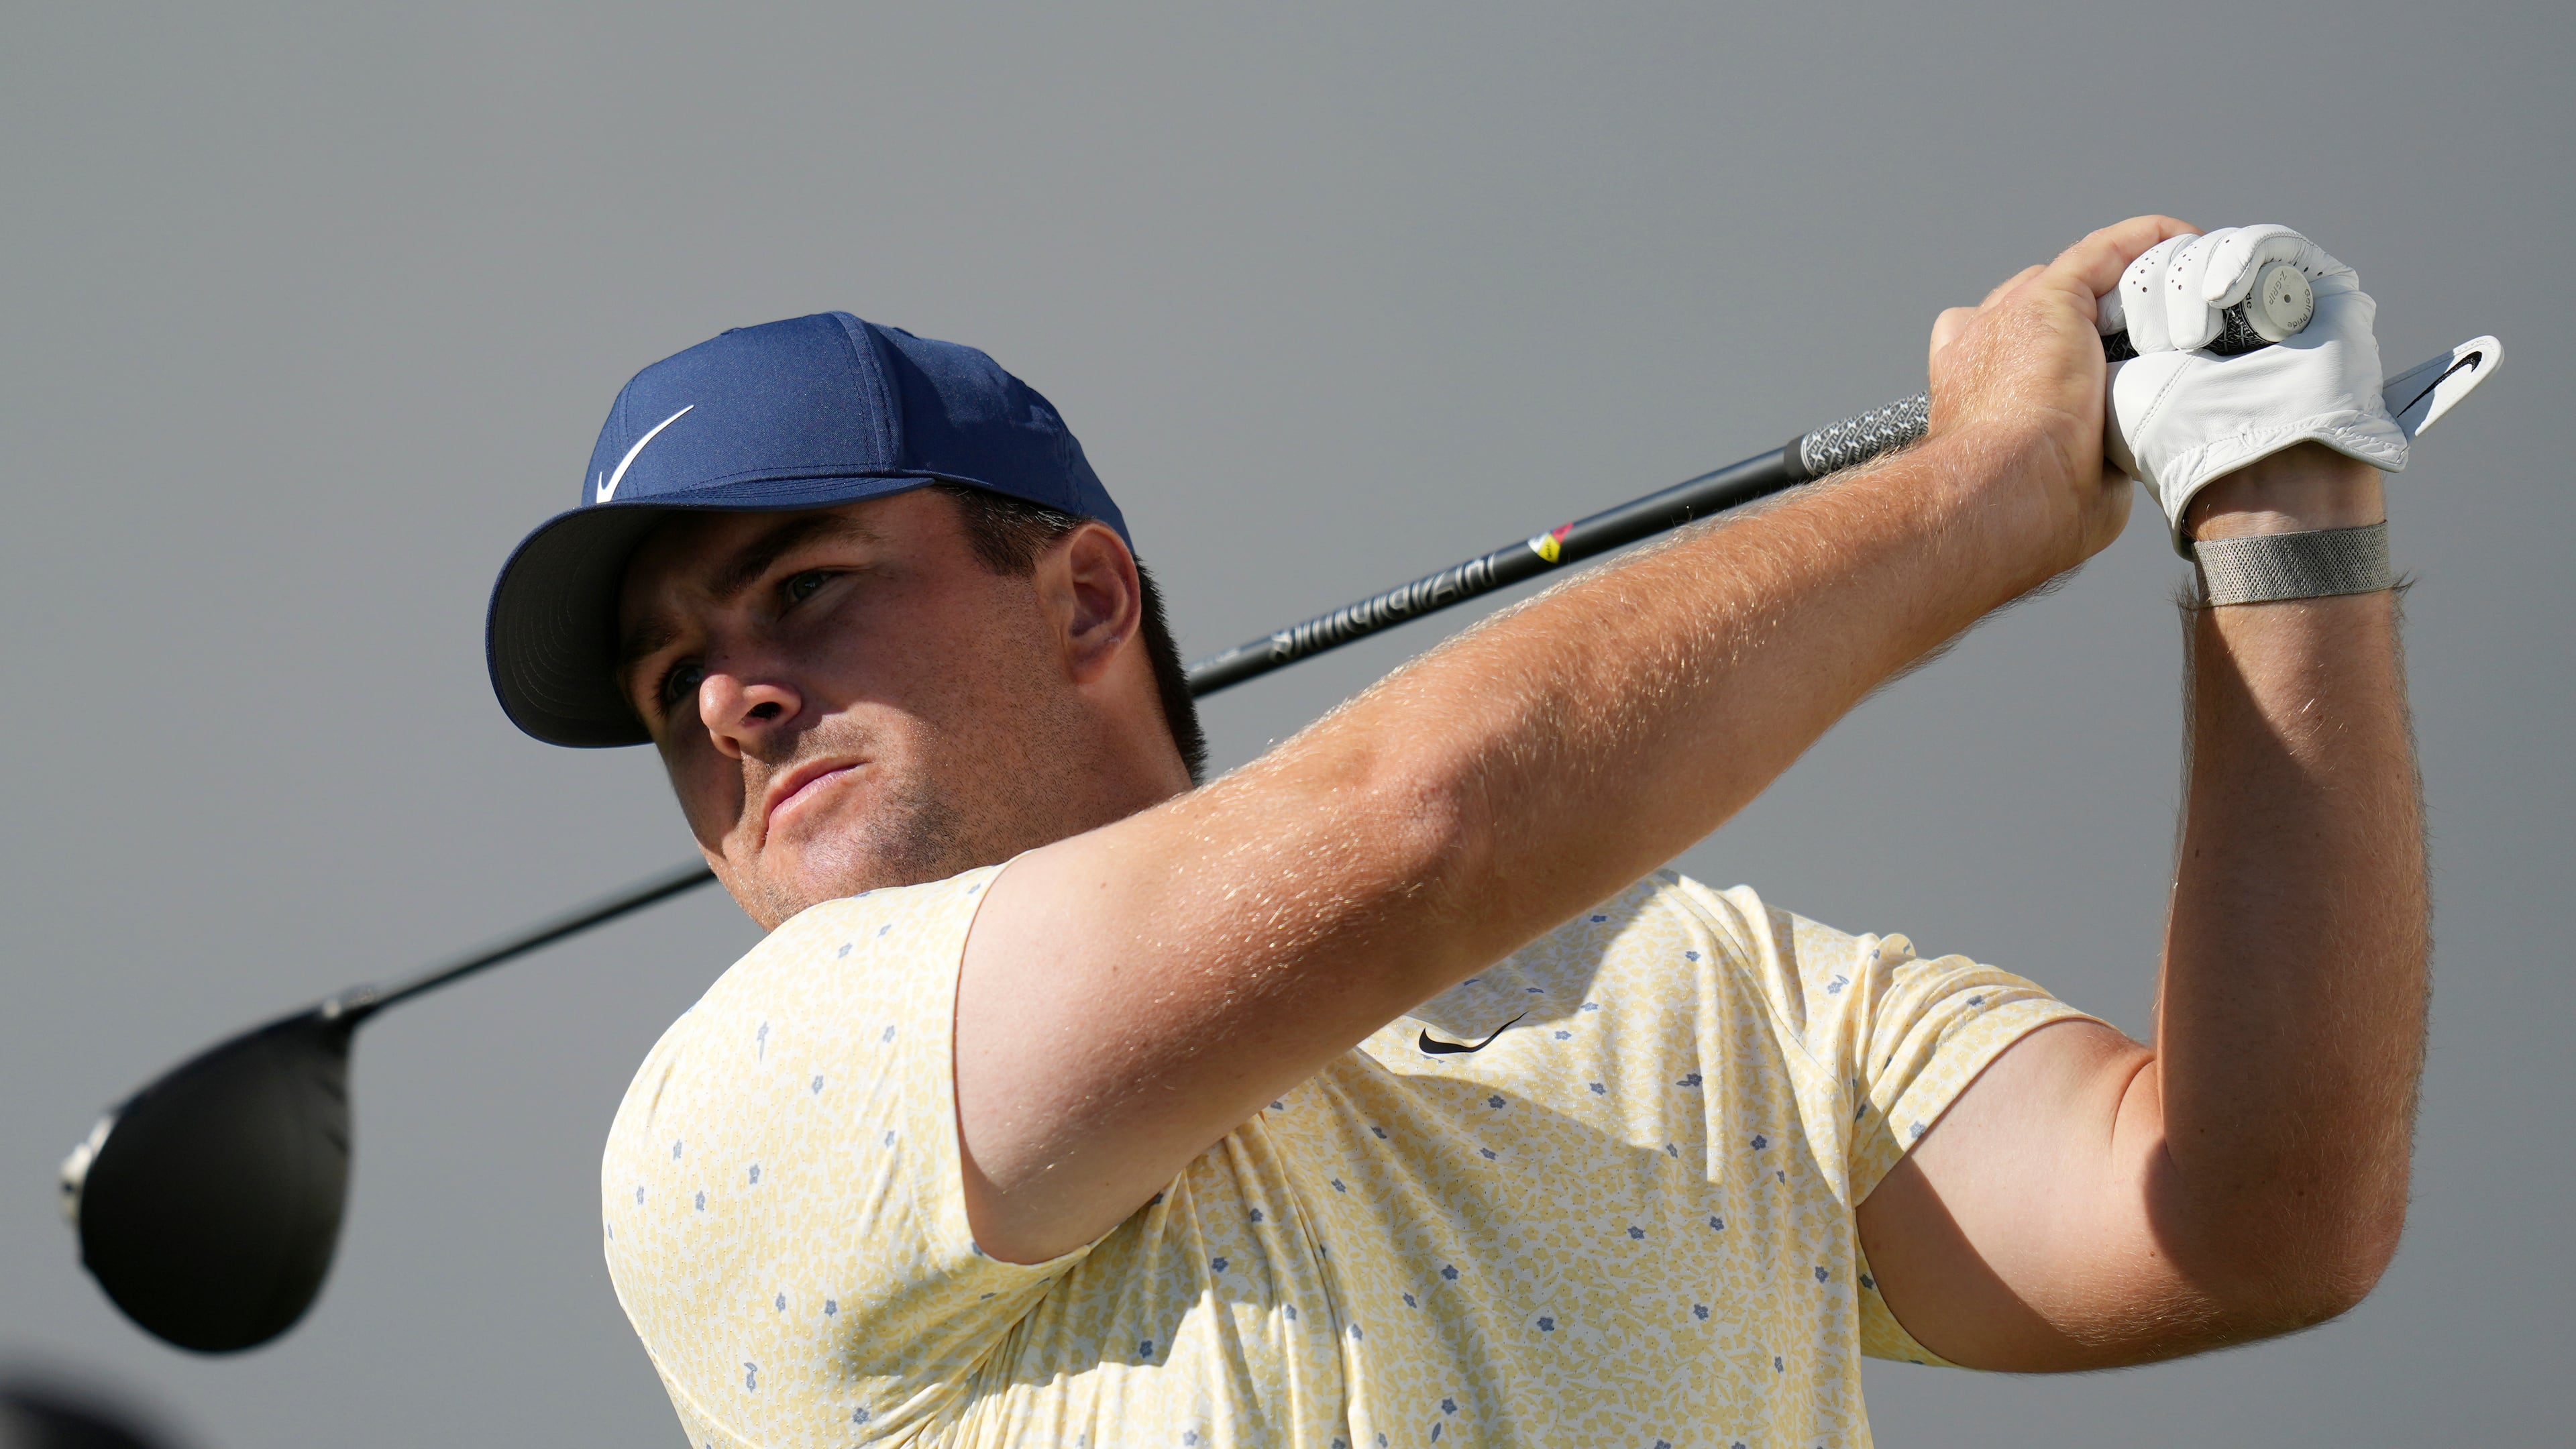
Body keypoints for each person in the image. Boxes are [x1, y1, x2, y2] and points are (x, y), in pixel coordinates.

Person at [484, 216, 2427, 1448]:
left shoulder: (1707, 996)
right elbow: (1430, 823)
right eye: (669, 689)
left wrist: (2284, 512)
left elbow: (2253, 1218)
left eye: (802, 588)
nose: (726, 700)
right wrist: (1991, 493)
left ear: (1084, 602)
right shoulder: (738, 1104)